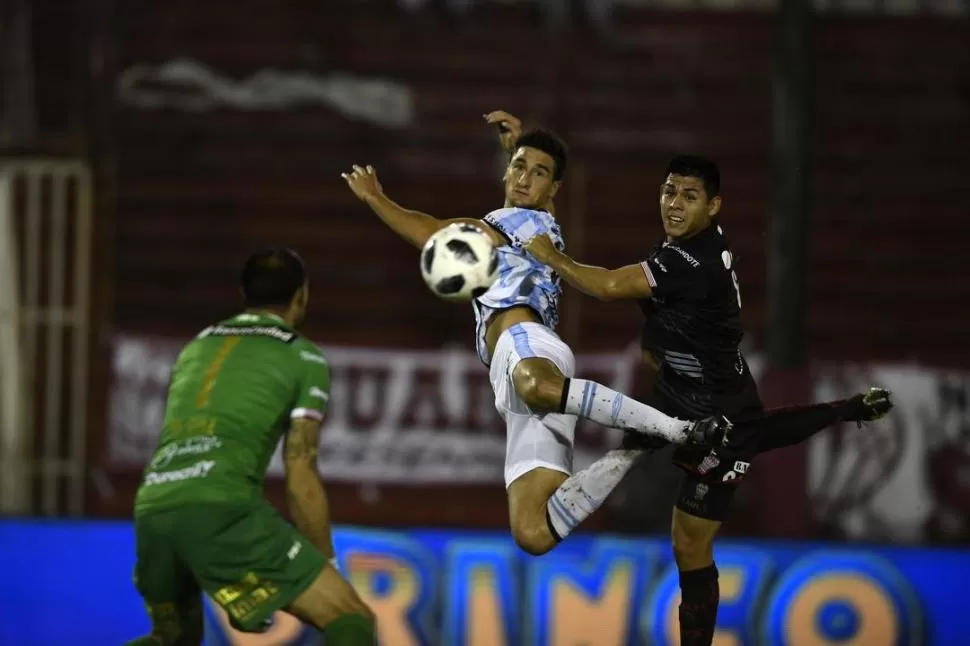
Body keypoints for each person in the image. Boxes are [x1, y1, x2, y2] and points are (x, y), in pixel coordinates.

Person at [522, 154, 893, 645]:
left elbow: (611, 286)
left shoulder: (688, 260)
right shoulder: (688, 247)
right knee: (684, 481)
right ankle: (844, 410)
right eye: (668, 191)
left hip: (716, 417)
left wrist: (553, 257)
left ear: (714, 206)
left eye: (689, 196)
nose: (674, 204)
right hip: (683, 403)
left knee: (690, 543)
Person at [341, 118, 729, 557]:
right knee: (533, 533)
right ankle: (633, 447)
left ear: (555, 188)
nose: (525, 177)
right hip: (514, 368)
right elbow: (524, 210)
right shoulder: (536, 221)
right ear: (506, 170)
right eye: (519, 167)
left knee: (538, 387)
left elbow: (432, 231)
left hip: (525, 343)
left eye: (539, 172)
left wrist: (376, 198)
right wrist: (518, 146)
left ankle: (675, 427)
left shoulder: (504, 222)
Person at [126, 249, 376, 646]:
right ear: (302, 297)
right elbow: (300, 471)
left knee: (170, 639)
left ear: (244, 293)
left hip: (154, 507)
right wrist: (322, 562)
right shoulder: (302, 355)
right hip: (223, 510)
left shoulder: (197, 346)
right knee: (349, 617)